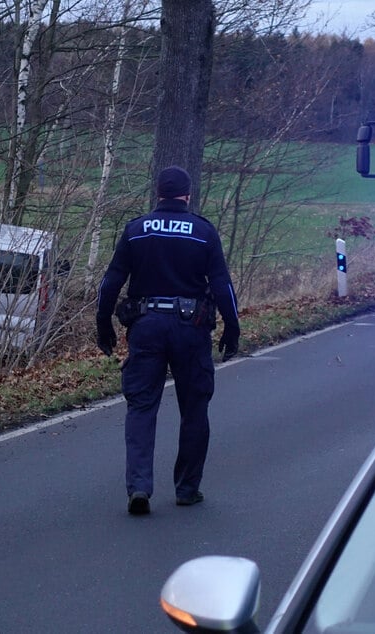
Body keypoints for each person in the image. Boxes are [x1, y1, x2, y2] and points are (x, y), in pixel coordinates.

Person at [96, 165, 240, 515]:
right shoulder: (203, 231)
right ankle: (187, 489)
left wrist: (104, 324)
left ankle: (140, 487)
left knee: (142, 407)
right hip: (191, 329)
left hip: (146, 327)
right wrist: (232, 327)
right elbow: (222, 285)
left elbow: (110, 282)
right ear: (188, 194)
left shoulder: (136, 230)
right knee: (194, 408)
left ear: (158, 192)